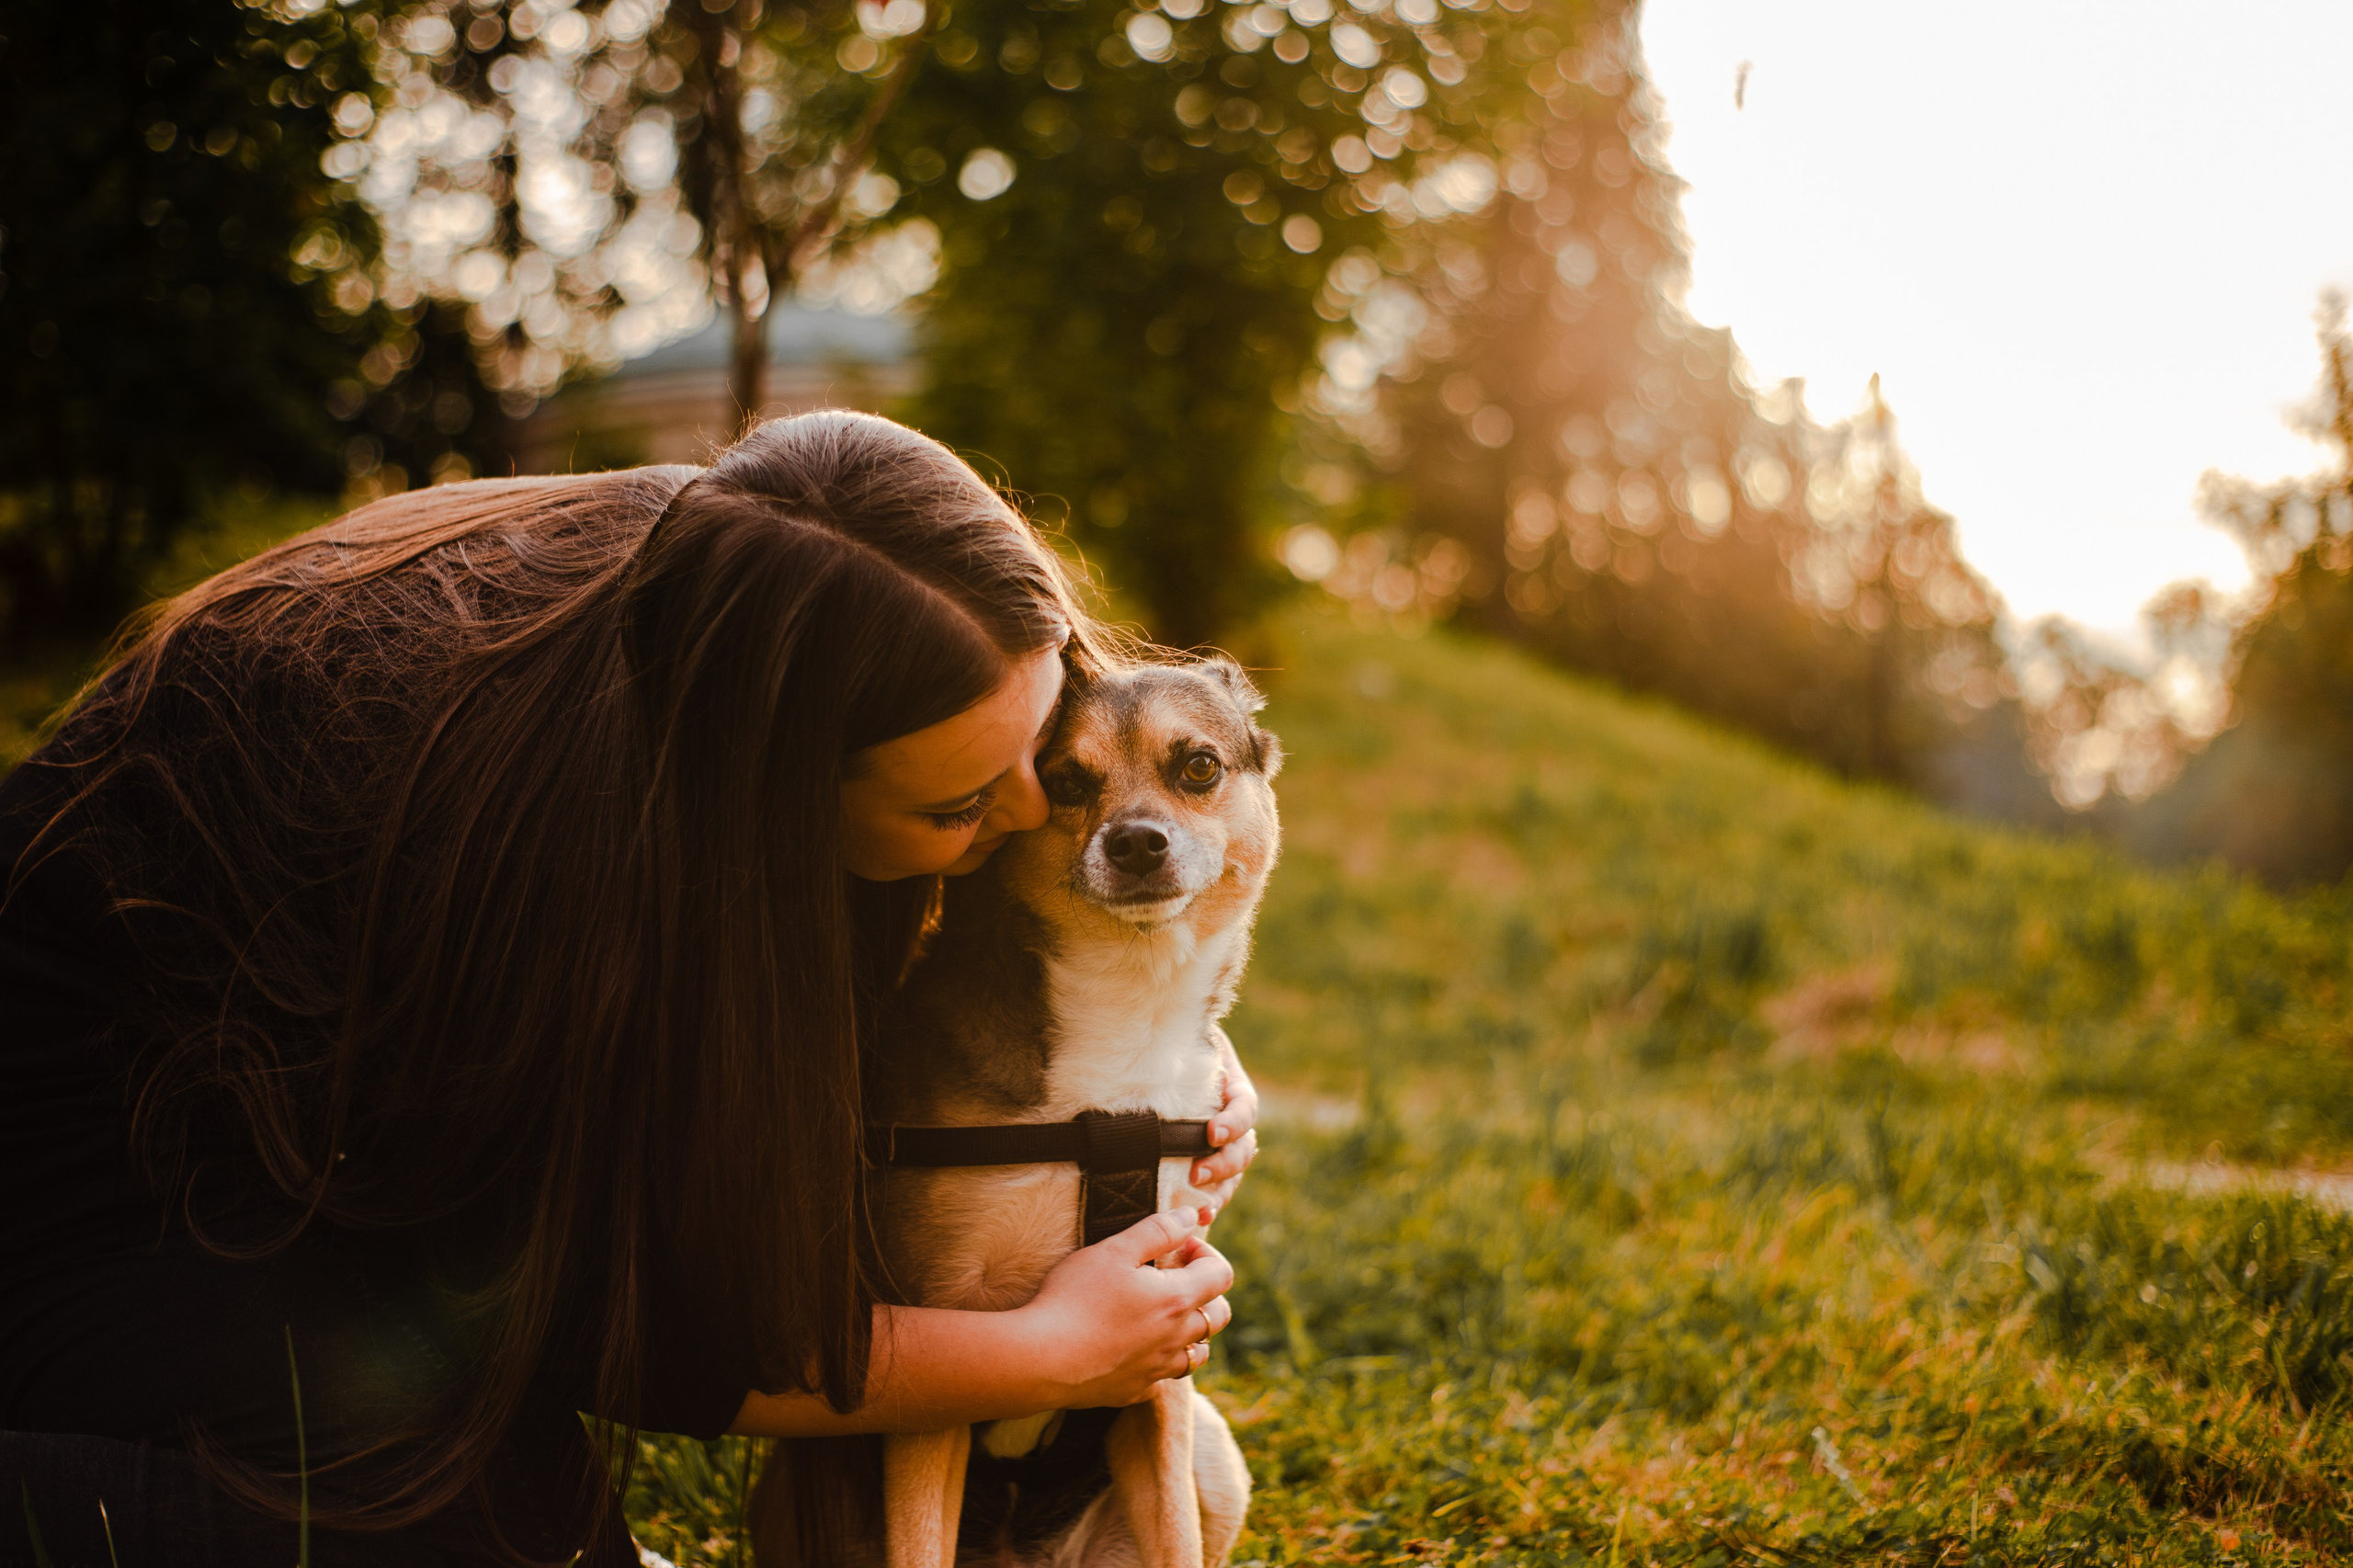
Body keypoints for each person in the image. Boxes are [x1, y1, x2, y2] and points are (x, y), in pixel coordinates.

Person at [0, 413, 1262, 1565]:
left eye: (1038, 747)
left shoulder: (764, 571)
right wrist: (1041, 1351)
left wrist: (1162, 1072)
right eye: (960, 805)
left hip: (324, 1166)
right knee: (475, 1536)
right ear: (771, 800)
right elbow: (617, 1320)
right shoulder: (514, 858)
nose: (1043, 817)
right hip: (100, 1189)